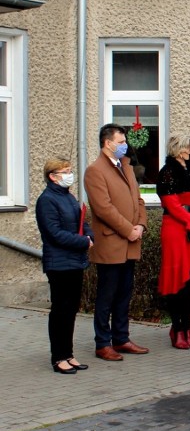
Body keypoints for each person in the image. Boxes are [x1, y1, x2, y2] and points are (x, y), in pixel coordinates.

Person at [84, 123, 149, 361]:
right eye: (120, 142)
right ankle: (103, 343)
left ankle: (121, 338)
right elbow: (103, 209)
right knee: (107, 296)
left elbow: (138, 200)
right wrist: (127, 230)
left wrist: (140, 225)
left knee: (124, 293)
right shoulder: (95, 170)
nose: (125, 146)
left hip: (131, 242)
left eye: (125, 142)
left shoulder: (127, 167)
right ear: (107, 143)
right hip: (112, 243)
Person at [35, 158, 95, 374]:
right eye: (66, 171)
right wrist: (83, 242)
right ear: (53, 176)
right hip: (59, 264)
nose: (70, 174)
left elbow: (82, 221)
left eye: (70, 170)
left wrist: (90, 236)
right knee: (60, 310)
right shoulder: (47, 200)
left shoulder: (68, 196)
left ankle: (68, 354)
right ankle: (58, 357)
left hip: (75, 261)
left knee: (70, 310)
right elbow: (54, 233)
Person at [156, 135, 190, 349]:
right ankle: (177, 329)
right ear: (178, 149)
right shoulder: (167, 173)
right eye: (189, 147)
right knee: (178, 279)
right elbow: (173, 206)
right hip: (176, 230)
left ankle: (187, 328)